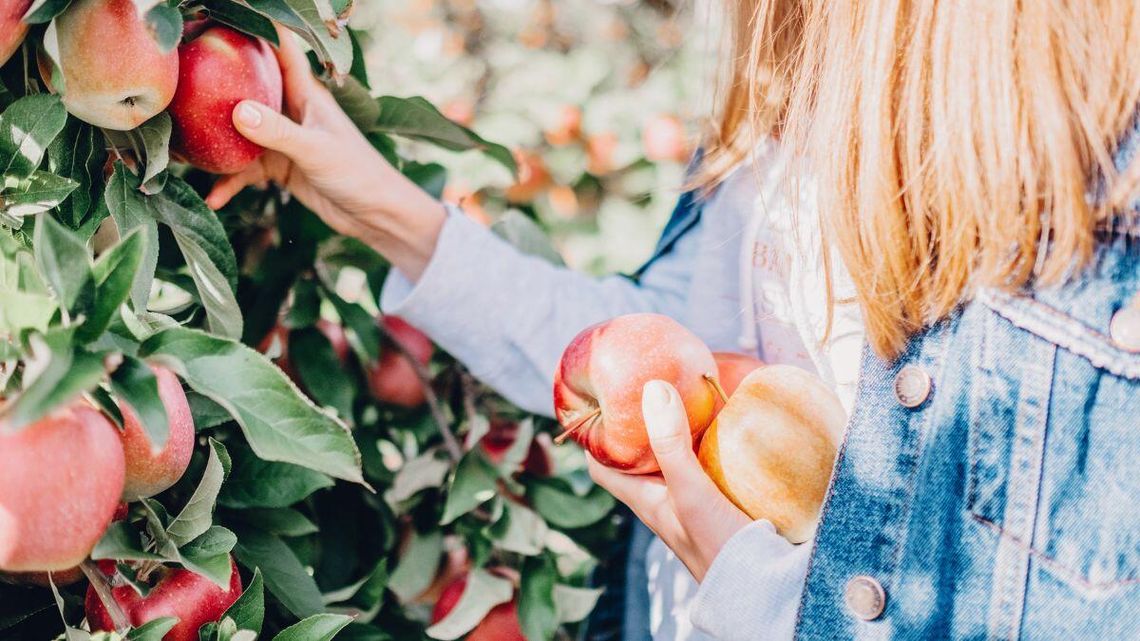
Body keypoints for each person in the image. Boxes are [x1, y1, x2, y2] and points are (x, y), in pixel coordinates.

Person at [204, 6, 862, 640]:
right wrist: (376, 202)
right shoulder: (774, 84)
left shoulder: (949, 149)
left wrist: (751, 590)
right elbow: (661, 344)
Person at [586, 2, 1140, 640]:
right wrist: (440, 250)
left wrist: (753, 594)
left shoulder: (1062, 146)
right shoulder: (779, 64)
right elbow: (678, 345)